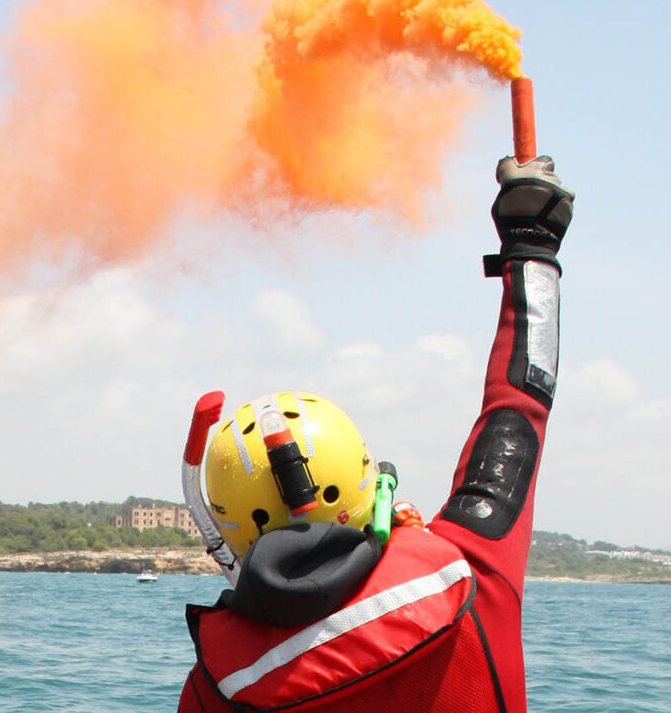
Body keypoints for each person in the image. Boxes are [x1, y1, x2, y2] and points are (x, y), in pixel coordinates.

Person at [177, 154, 574, 712]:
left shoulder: (214, 690)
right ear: (367, 481)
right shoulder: (475, 568)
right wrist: (534, 247)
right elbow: (520, 402)